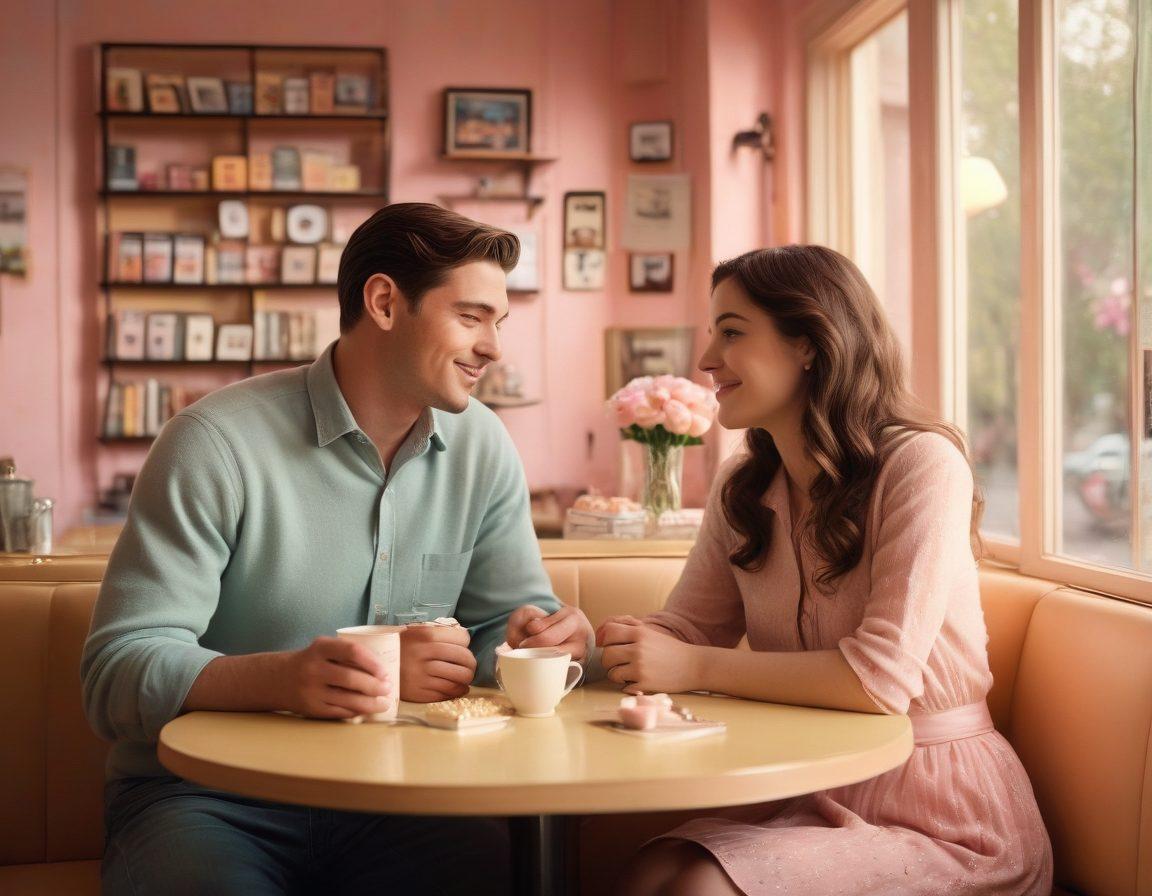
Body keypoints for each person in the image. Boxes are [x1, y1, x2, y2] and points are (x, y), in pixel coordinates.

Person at [82, 202, 594, 895]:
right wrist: (287, 681)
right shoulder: (215, 443)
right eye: (471, 317)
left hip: (405, 795)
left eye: (498, 322)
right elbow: (116, 673)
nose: (494, 348)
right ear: (384, 302)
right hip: (207, 800)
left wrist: (543, 642)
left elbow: (495, 639)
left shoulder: (484, 447)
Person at [598, 245, 1053, 896]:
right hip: (811, 784)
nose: (705, 361)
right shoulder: (743, 486)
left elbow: (878, 681)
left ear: (809, 343)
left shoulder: (922, 466)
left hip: (948, 816)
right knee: (651, 872)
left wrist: (690, 667)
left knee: (697, 886)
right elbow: (685, 630)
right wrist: (582, 646)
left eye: (731, 334)